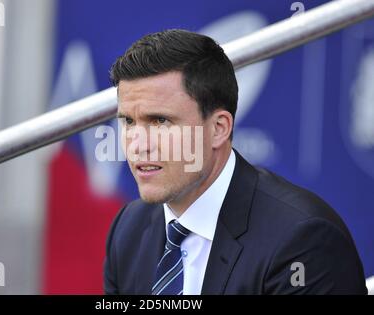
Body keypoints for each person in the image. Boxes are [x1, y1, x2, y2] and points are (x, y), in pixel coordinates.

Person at [103, 29, 367, 295]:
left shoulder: (302, 240)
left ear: (219, 128)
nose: (138, 145)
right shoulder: (128, 228)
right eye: (128, 121)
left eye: (161, 121)